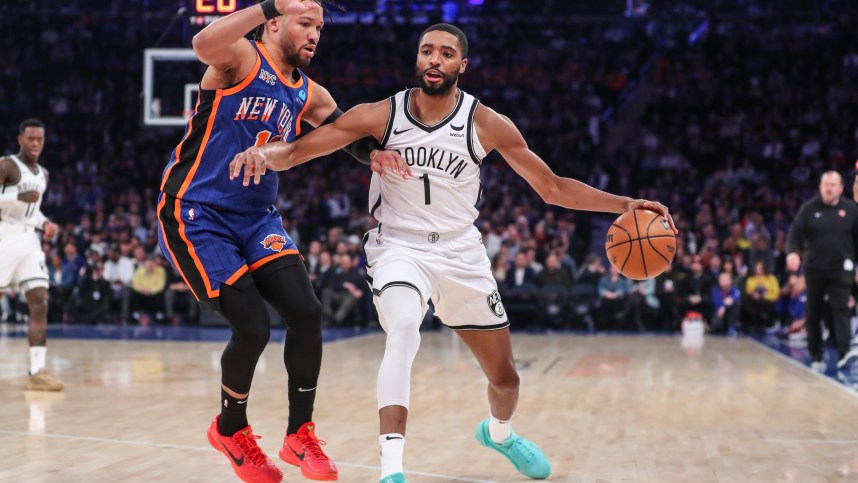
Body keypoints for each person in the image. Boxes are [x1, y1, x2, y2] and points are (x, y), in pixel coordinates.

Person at [229, 23, 677, 483]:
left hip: (462, 253)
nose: (435, 60)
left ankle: (499, 434)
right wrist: (265, 154)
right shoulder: (381, 114)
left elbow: (553, 187)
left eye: (446, 53)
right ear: (418, 60)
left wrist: (624, 204)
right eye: (427, 51)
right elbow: (302, 150)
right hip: (398, 247)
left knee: (505, 380)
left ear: (462, 65)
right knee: (403, 328)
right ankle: (392, 471)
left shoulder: (486, 123)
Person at [156, 1, 396, 481]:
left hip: (257, 218)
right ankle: (230, 429)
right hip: (196, 213)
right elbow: (202, 44)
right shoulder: (242, 58)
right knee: (253, 329)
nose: (314, 35)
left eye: (320, 28)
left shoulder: (308, 91)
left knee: (307, 313)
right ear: (274, 24)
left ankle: (298, 435)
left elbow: (344, 130)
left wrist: (375, 154)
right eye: (305, 24)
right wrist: (269, 1)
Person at [0, 118, 62, 391]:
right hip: (5, 234)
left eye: (40, 139)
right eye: (31, 139)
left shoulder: (44, 174)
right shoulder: (7, 165)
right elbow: (19, 203)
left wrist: (45, 224)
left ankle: (38, 372)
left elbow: (33, 212)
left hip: (29, 238)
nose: (36, 143)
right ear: (20, 139)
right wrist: (15, 199)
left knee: (39, 299)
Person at [787, 171, 858, 372]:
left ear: (841, 188)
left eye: (833, 184)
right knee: (813, 312)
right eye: (826, 184)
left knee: (841, 309)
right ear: (820, 187)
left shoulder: (851, 210)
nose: (829, 188)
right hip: (814, 270)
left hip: (841, 269)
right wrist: (792, 252)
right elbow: (795, 233)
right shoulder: (809, 209)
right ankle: (816, 354)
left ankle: (845, 353)